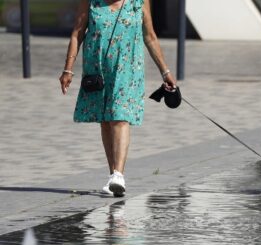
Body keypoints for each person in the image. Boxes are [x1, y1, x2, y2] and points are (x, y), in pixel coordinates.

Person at [59, 0, 177, 197]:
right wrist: (68, 69)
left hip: (128, 70)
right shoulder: (91, 2)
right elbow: (77, 32)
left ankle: (118, 174)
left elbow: (150, 37)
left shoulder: (138, 2)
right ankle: (113, 175)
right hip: (98, 69)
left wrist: (165, 72)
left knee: (120, 117)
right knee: (106, 120)